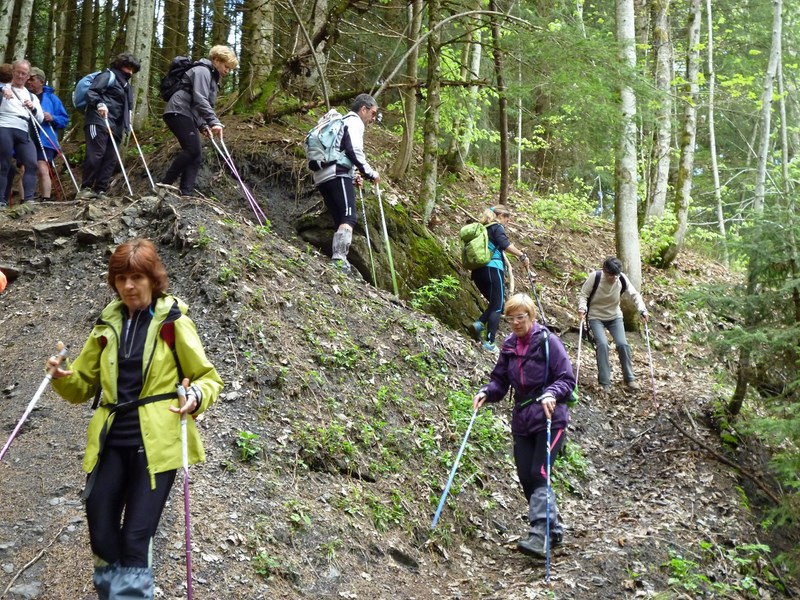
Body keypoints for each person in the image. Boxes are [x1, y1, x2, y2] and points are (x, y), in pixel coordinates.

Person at [47, 238, 223, 599]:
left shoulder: (173, 321)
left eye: (137, 277)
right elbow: (82, 386)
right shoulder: (106, 325)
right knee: (101, 527)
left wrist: (194, 396)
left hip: (157, 442)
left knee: (136, 536)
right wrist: (61, 377)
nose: (128, 286)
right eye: (121, 278)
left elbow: (207, 378)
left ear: (152, 279)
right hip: (111, 440)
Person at [473, 293, 574, 558]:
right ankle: (553, 528)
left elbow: (566, 379)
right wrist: (487, 392)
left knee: (539, 473)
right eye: (511, 318)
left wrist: (552, 393)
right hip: (522, 419)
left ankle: (540, 533)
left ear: (531, 316)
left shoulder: (548, 342)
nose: (516, 323)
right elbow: (499, 382)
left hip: (551, 418)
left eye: (521, 317)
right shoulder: (509, 346)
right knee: (526, 476)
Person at [313, 93, 380, 273]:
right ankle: (339, 260)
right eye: (373, 113)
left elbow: (339, 151)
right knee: (349, 217)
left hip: (322, 175)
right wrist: (369, 173)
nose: (373, 119)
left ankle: (339, 260)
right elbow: (353, 150)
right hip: (337, 174)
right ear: (363, 109)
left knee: (340, 218)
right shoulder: (354, 122)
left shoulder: (341, 122)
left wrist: (352, 175)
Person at [161, 46, 239, 197]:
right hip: (178, 111)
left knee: (196, 155)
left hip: (184, 112)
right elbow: (199, 99)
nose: (227, 71)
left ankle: (186, 194)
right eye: (226, 66)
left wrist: (203, 125)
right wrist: (213, 121)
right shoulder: (203, 71)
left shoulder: (211, 76)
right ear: (216, 60)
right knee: (193, 150)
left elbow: (196, 103)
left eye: (230, 69)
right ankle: (164, 185)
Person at [577, 256, 648, 392]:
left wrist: (642, 309)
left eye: (616, 275)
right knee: (603, 344)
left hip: (615, 316)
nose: (614, 278)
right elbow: (583, 295)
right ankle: (605, 382)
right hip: (596, 316)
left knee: (623, 344)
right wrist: (582, 307)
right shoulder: (595, 277)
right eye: (611, 275)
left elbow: (634, 294)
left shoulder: (621, 278)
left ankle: (630, 378)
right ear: (604, 271)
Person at [467, 206, 530, 352]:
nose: (507, 222)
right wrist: (522, 255)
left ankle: (480, 324)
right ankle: (490, 341)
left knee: (497, 304)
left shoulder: (482, 229)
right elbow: (505, 245)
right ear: (500, 215)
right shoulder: (497, 227)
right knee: (497, 306)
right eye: (507, 218)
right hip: (493, 269)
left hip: (478, 271)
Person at [79, 52, 140, 199]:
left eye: (133, 70)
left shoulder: (126, 87)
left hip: (117, 125)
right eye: (128, 68)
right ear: (120, 66)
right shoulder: (107, 76)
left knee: (111, 157)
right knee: (96, 153)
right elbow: (92, 92)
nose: (130, 72)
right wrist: (100, 104)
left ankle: (101, 189)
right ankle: (85, 188)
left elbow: (126, 106)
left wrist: (128, 118)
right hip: (99, 119)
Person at [0, 60, 44, 206]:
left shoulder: (31, 96)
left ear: (27, 77)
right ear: (13, 72)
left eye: (24, 74)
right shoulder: (3, 87)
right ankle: (1, 201)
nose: (20, 75)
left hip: (23, 130)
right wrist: (1, 90)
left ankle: (29, 200)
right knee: (4, 164)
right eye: (18, 72)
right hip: (4, 125)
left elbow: (40, 118)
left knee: (31, 164)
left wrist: (33, 108)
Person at [26, 67, 69, 201]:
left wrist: (53, 118)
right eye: (27, 79)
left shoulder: (52, 99)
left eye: (32, 79)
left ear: (41, 81)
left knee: (43, 168)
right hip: (26, 138)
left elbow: (64, 120)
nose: (28, 82)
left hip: (45, 138)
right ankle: (25, 200)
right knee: (24, 168)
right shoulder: (22, 95)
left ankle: (46, 199)